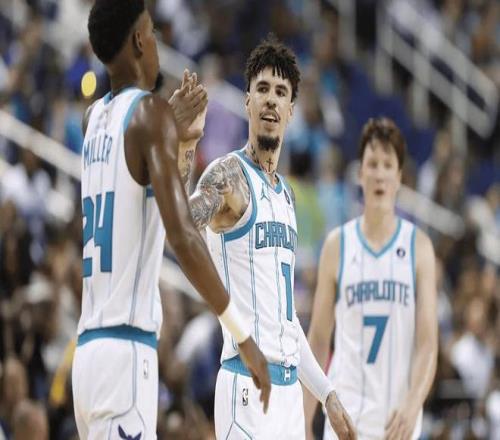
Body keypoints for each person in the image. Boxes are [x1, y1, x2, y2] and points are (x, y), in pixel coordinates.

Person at [72, 1, 270, 439]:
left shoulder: (93, 119)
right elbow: (181, 235)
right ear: (139, 40)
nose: (158, 42)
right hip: (125, 353)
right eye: (152, 32)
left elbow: (150, 213)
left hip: (88, 355)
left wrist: (177, 141)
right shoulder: (149, 114)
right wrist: (242, 335)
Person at [172, 36, 356, 439]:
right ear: (247, 102)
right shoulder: (228, 176)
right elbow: (179, 225)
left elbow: (286, 321)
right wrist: (185, 145)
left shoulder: (286, 196)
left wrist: (327, 394)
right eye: (262, 89)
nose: (271, 99)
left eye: (280, 92)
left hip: (289, 396)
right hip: (245, 384)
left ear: (291, 110)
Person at [305, 118, 438, 439]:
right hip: (345, 420)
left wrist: (413, 404)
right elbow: (319, 340)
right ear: (360, 173)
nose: (379, 174)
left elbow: (428, 344)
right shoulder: (337, 245)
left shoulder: (419, 247)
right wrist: (304, 419)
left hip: (397, 422)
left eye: (388, 165)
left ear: (399, 177)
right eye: (373, 164)